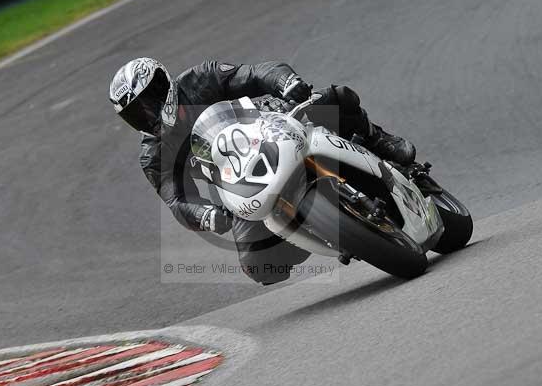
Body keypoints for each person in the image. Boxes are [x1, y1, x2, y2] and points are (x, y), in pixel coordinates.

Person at [109, 58, 416, 285]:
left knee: (335, 97)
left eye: (148, 103)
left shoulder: (200, 78)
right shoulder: (153, 155)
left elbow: (255, 73)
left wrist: (286, 82)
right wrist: (206, 215)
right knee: (260, 266)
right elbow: (176, 199)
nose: (147, 115)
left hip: (273, 129)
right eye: (136, 114)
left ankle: (378, 139)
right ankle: (325, 230)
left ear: (163, 84)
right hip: (242, 185)